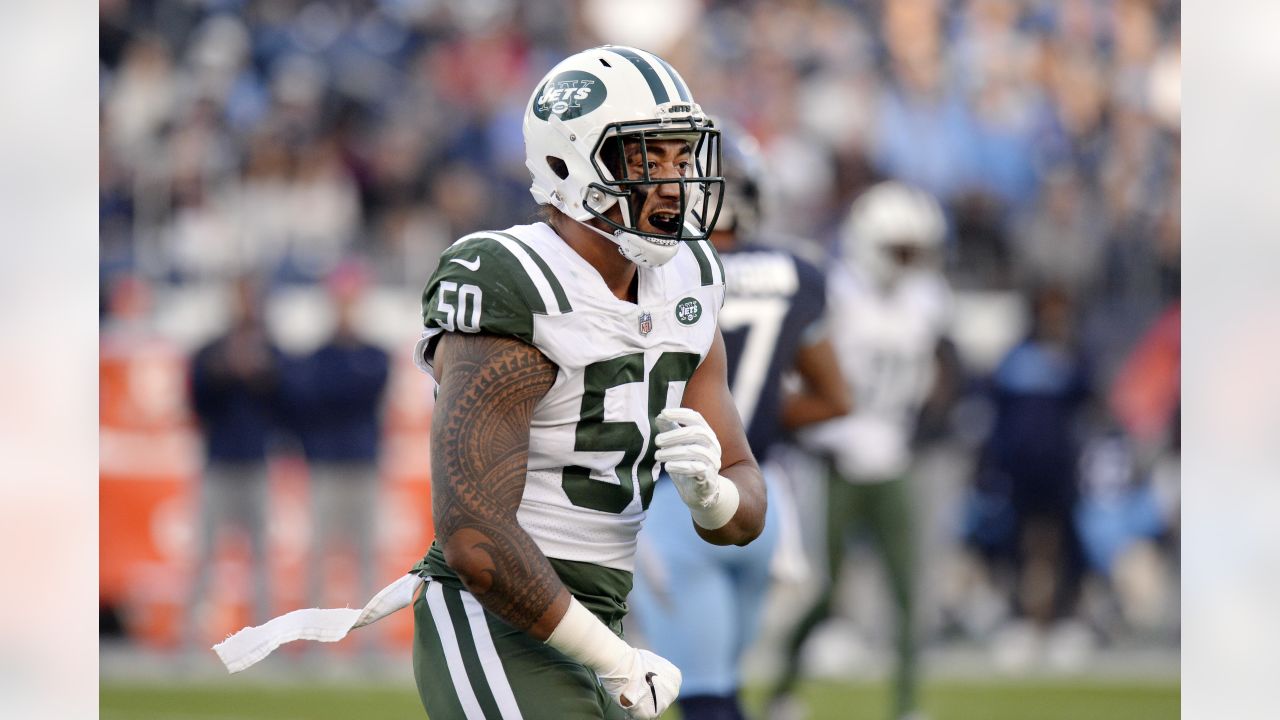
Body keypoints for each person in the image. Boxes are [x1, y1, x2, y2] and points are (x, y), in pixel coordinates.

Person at [213, 45, 767, 720]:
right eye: (648, 159)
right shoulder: (512, 277)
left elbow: (744, 493)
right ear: (571, 163)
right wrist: (617, 661)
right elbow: (475, 540)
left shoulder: (693, 279)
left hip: (601, 606)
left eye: (683, 158)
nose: (675, 183)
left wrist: (712, 498)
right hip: (492, 614)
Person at [629, 130, 851, 720]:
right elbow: (835, 398)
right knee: (723, 687)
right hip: (762, 498)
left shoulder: (658, 271)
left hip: (675, 504)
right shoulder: (798, 273)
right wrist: (754, 422)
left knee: (702, 698)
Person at [768, 182, 959, 720]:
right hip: (834, 459)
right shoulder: (832, 291)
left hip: (893, 455)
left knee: (907, 596)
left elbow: (945, 365)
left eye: (917, 251)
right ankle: (784, 692)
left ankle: (906, 706)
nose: (910, 263)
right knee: (825, 593)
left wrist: (928, 422)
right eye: (901, 250)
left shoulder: (927, 297)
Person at [285, 261, 390, 613]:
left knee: (367, 556)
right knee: (319, 555)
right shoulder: (322, 356)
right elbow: (314, 400)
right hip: (328, 464)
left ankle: (369, 639)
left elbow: (344, 394)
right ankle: (316, 635)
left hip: (360, 464)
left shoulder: (372, 355)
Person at [187, 275, 284, 645]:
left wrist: (261, 374)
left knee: (261, 558)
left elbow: (286, 400)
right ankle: (190, 639)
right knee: (204, 555)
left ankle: (264, 639)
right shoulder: (212, 351)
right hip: (220, 462)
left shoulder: (269, 350)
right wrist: (226, 371)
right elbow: (196, 400)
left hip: (256, 463)